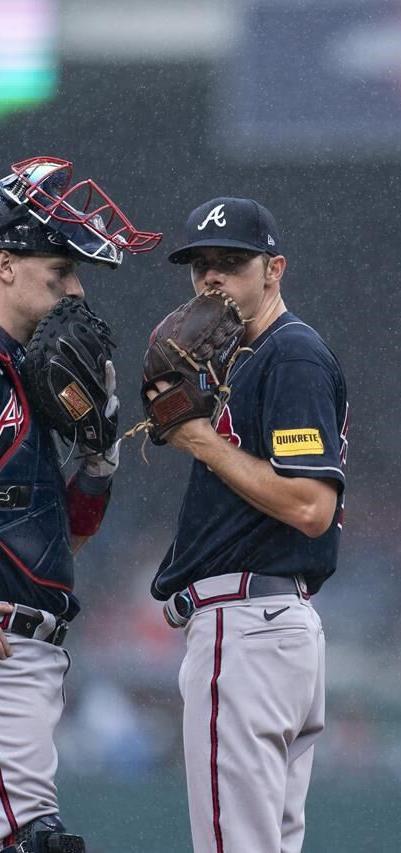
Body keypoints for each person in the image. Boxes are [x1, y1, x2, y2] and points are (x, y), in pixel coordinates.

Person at [150, 197, 350, 853]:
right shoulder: (238, 360)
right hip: (271, 628)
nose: (213, 277)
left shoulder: (289, 354)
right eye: (200, 264)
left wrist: (199, 440)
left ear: (274, 269)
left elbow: (309, 506)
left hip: (245, 628)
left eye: (233, 262)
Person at [0, 156, 160, 853]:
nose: (76, 290)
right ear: (5, 265)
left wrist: (97, 460)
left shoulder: (25, 373)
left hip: (33, 650)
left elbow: (58, 536)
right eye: (59, 272)